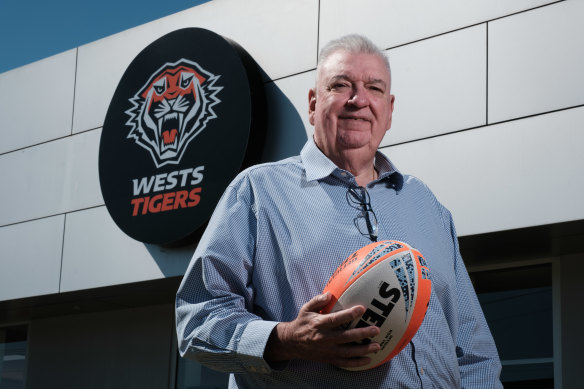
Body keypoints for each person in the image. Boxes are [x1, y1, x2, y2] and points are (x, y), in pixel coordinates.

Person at [176, 34, 502, 388]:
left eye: (374, 88)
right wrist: (285, 340)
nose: (358, 100)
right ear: (313, 104)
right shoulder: (257, 192)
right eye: (341, 85)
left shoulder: (426, 204)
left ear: (389, 110)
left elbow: (472, 347)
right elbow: (197, 320)